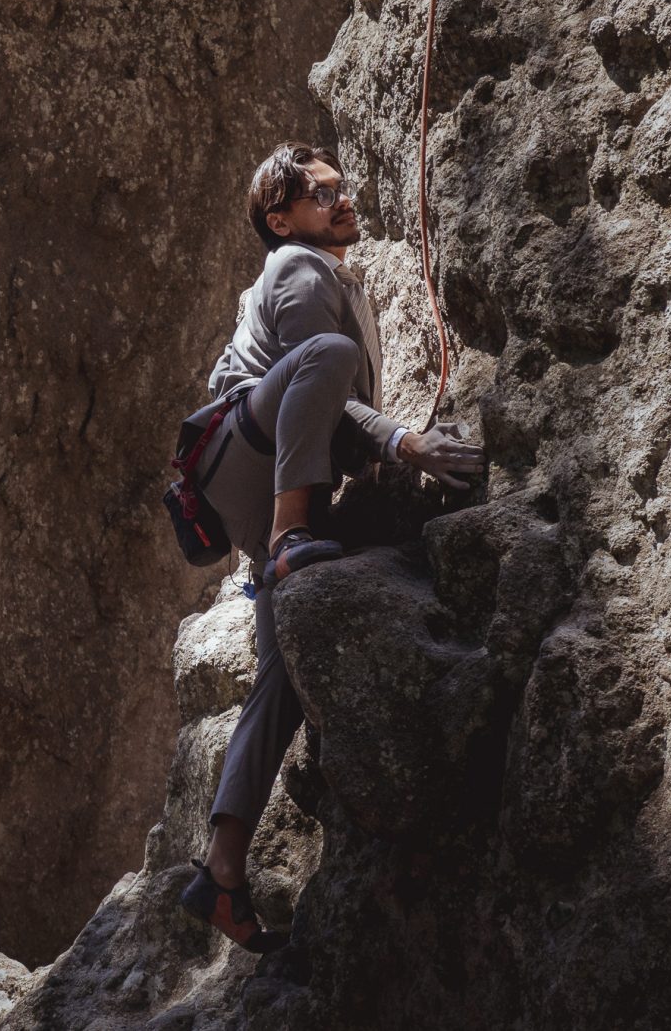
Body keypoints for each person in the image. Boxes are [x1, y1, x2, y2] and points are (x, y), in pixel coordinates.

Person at [176, 142, 485, 953]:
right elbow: (322, 376)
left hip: (269, 478)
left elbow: (326, 405)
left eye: (342, 190)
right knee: (332, 353)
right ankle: (288, 539)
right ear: (280, 220)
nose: (341, 201)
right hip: (249, 456)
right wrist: (405, 444)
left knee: (279, 674)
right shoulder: (297, 268)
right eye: (320, 196)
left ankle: (222, 870)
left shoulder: (334, 277)